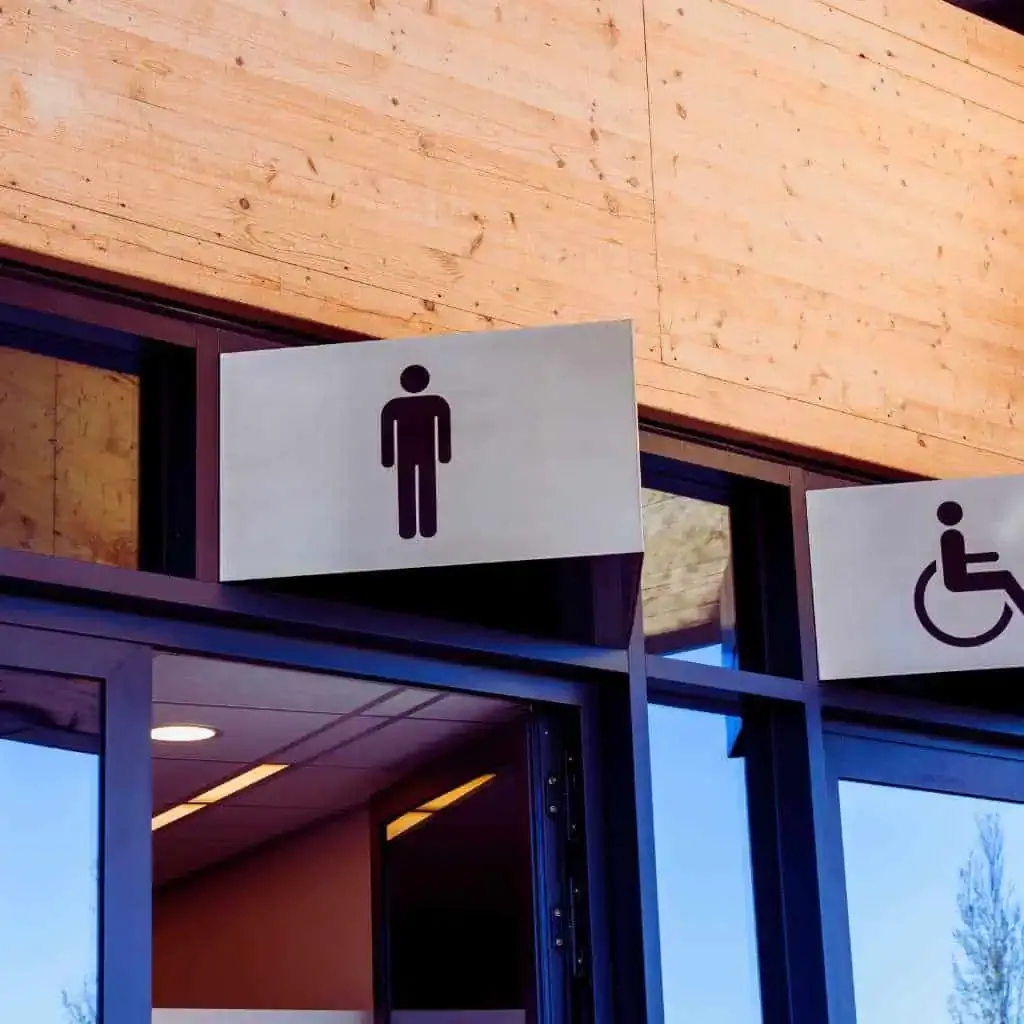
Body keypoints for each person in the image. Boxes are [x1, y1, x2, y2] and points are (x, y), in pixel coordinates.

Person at [380, 364, 451, 539]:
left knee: (413, 488)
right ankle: (422, 528)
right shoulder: (435, 402)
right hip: (421, 454)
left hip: (413, 454)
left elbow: (443, 426)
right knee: (418, 488)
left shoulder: (395, 406)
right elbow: (387, 431)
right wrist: (444, 454)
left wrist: (388, 458)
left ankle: (413, 529)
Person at [936, 501, 1024, 614]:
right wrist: (988, 557)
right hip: (959, 581)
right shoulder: (952, 536)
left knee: (1005, 577)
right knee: (1005, 578)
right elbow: (957, 562)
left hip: (960, 579)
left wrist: (988, 557)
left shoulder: (952, 535)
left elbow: (960, 560)